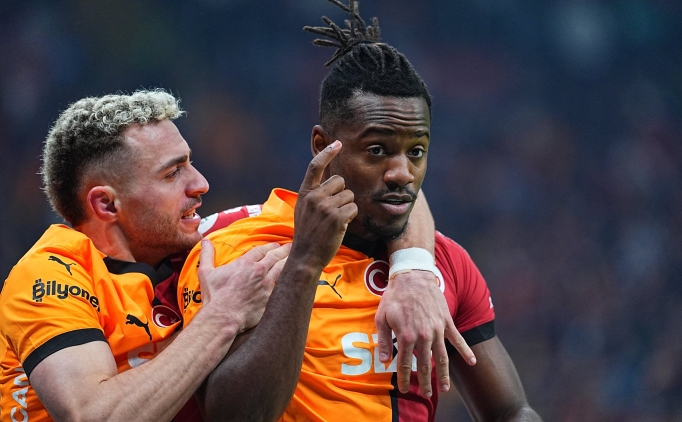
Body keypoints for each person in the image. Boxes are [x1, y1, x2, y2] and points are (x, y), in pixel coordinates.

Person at [0, 90, 472, 421]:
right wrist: (222, 317)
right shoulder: (50, 274)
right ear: (106, 205)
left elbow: (386, 193)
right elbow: (93, 416)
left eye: (191, 162)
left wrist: (412, 270)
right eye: (173, 173)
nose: (200, 184)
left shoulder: (209, 244)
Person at [178, 1, 542, 420]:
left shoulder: (444, 264)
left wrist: (414, 268)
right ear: (322, 146)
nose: (401, 173)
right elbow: (234, 415)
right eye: (377, 150)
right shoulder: (237, 246)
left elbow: (512, 412)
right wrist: (305, 264)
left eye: (416, 151)